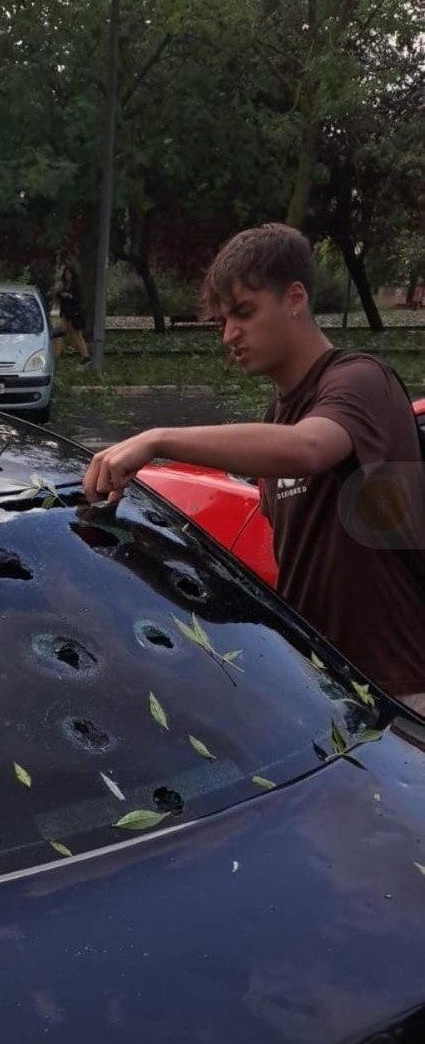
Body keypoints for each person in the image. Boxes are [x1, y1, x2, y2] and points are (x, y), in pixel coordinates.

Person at [82, 222, 425, 717]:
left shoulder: (359, 381)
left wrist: (157, 440)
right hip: (330, 688)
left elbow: (307, 448)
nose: (229, 334)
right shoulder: (279, 416)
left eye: (243, 312)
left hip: (401, 695)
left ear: (295, 298)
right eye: (223, 319)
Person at [54, 265, 90, 362]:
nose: (67, 276)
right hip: (65, 313)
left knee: (76, 335)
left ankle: (85, 356)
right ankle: (56, 354)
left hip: (74, 314)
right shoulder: (64, 286)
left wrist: (69, 296)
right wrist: (61, 294)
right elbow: (58, 295)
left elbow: (79, 300)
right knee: (61, 333)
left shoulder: (76, 286)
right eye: (66, 274)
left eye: (69, 274)